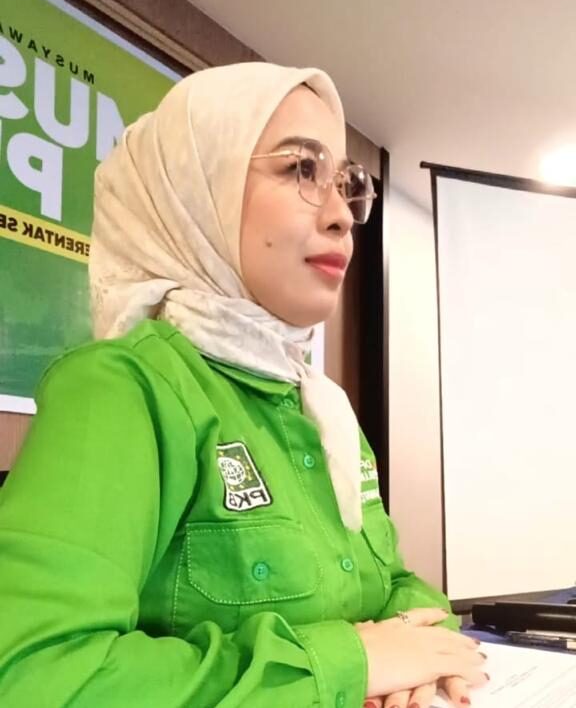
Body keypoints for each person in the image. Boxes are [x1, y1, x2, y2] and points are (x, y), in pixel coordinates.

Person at [0, 62, 487, 707]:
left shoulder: (320, 407)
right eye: (301, 168)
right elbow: (32, 676)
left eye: (346, 184)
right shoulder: (123, 389)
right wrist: (348, 664)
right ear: (194, 190)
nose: (342, 216)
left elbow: (393, 583)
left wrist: (427, 654)